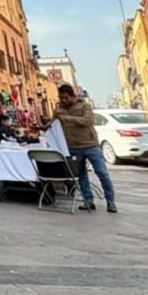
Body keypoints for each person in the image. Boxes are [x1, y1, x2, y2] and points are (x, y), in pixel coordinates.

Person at [53, 83, 116, 213]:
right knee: (81, 175)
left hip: (90, 145)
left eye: (65, 97)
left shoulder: (84, 105)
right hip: (73, 147)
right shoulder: (58, 109)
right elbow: (53, 123)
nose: (63, 100)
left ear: (72, 96)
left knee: (102, 173)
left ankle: (111, 201)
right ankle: (88, 201)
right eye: (61, 98)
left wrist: (68, 118)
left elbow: (88, 121)